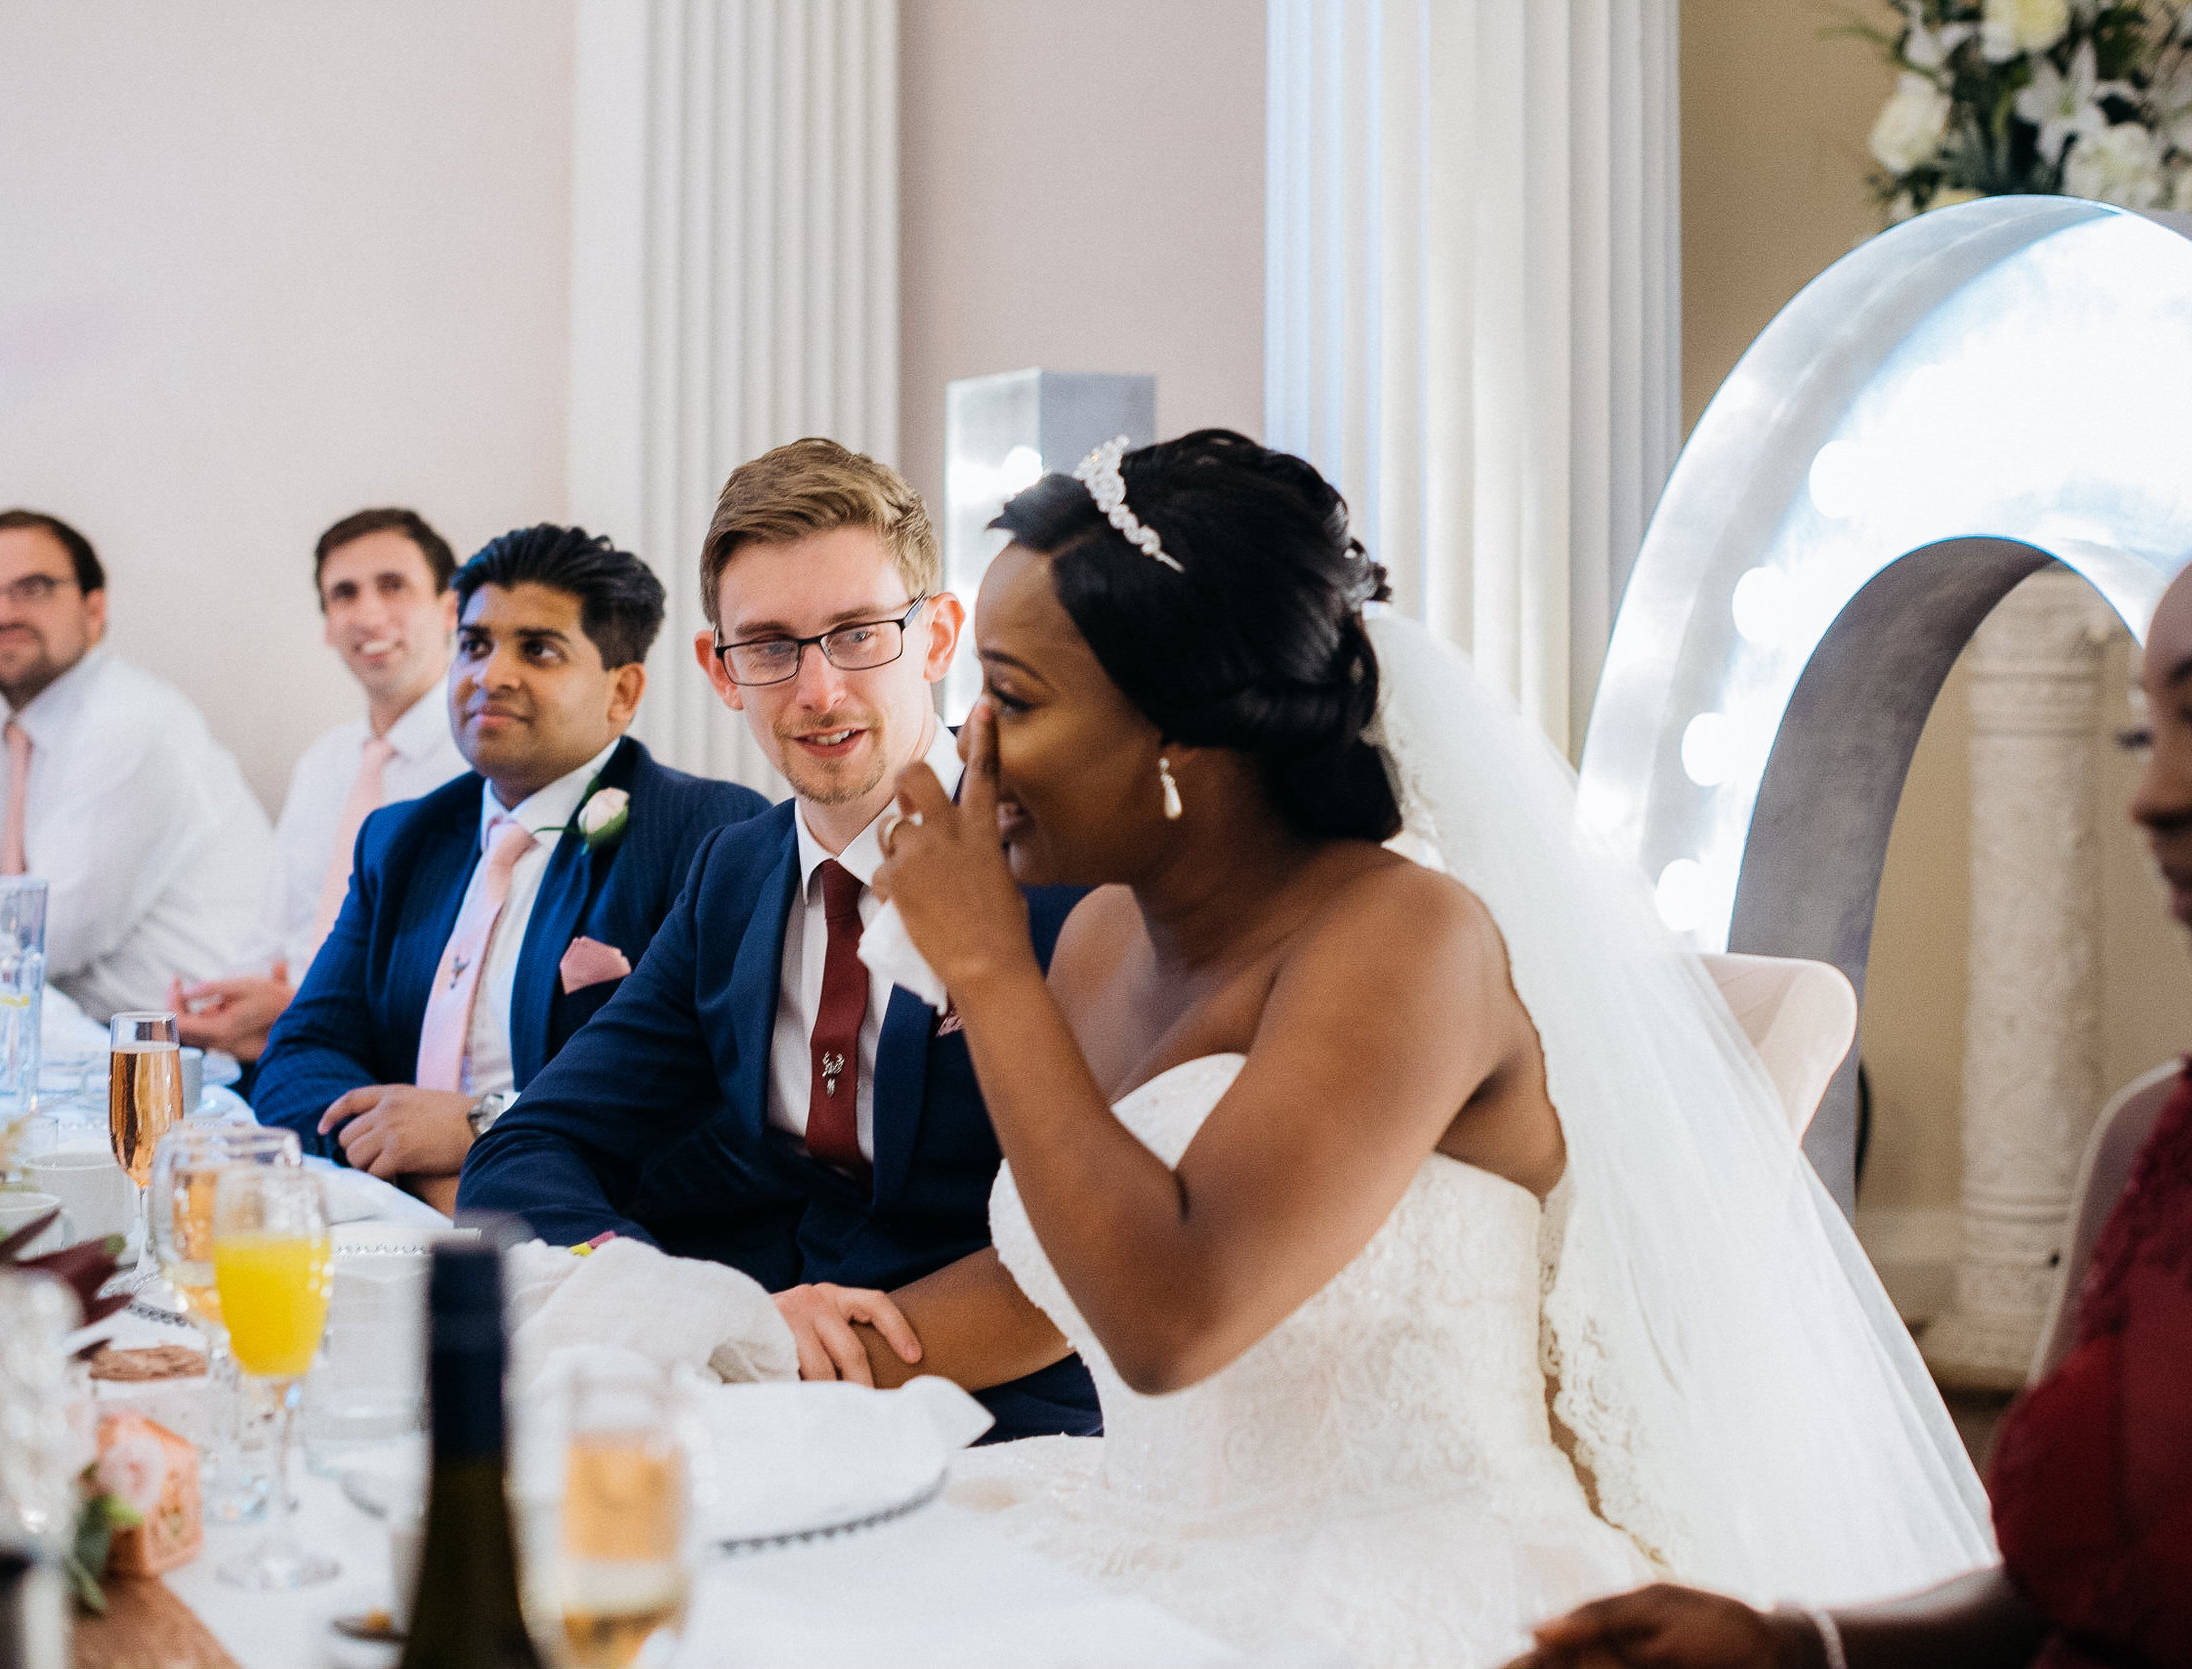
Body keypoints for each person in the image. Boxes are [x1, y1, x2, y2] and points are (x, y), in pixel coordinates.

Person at [827, 431, 1989, 1666]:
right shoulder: (1103, 939)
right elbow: (1068, 1269)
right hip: (1136, 1531)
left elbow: (1169, 1316)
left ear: (1181, 736)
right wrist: (795, 1360)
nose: (968, 741)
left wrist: (987, 970)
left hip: (1402, 1581)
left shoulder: (1406, 941)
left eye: (1010, 696)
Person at [1505, 443, 2192, 1669]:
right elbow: (2054, 1598)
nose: (2152, 799)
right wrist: (1793, 1644)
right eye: (2141, 738)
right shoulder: (2160, 1140)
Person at [458, 438, 1101, 1444]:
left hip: (1030, 1421)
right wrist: (691, 1318)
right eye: (770, 646)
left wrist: (778, 1368)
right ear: (721, 671)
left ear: (936, 639)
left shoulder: (1061, 863)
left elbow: (1099, 1243)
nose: (817, 692)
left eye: (857, 635)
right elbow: (528, 1149)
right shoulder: (733, 876)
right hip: (772, 1418)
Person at [254, 524, 765, 1214]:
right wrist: (403, 1163)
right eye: (474, 645)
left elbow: (722, 1117)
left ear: (622, 692)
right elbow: (298, 1057)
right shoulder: (403, 838)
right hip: (395, 1224)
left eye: (539, 649)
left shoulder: (707, 830)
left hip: (590, 1246)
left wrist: (483, 1128)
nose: (489, 675)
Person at [0, 509, 271, 1019]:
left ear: (94, 610)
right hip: (59, 1044)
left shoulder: (131, 726)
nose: (2, 614)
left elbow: (35, 944)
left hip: (175, 1059)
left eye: (33, 588)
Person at [173, 508, 471, 1065]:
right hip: (282, 1052)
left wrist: (296, 1008)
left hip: (402, 1065)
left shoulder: (479, 768)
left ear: (450, 608)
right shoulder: (325, 763)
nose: (368, 614)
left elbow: (454, 974)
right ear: (329, 625)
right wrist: (222, 1004)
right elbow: (272, 934)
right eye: (344, 594)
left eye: (393, 586)